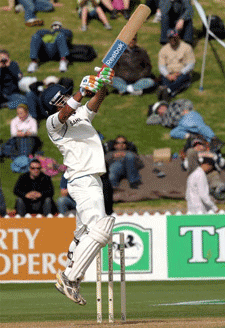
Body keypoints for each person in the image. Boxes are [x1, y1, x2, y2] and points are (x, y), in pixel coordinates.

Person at [42, 66, 115, 305]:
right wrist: (82, 91)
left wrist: (102, 84)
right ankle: (69, 277)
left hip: (92, 178)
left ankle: (71, 273)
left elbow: (97, 101)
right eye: (62, 98)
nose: (66, 100)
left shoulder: (81, 115)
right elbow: (64, 114)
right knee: (101, 228)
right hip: (82, 180)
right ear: (56, 103)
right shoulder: (53, 124)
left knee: (84, 233)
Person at [146, 99, 223, 146]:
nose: (161, 109)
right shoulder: (162, 119)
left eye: (161, 106)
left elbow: (187, 101)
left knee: (198, 126)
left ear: (164, 104)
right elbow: (148, 121)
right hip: (180, 125)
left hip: (187, 116)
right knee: (173, 133)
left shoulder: (174, 103)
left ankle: (214, 139)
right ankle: (195, 137)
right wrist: (153, 112)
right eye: (158, 109)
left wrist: (186, 109)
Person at [181, 137, 225, 201]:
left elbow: (223, 163)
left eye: (200, 144)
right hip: (198, 176)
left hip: (211, 174)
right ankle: (209, 192)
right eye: (195, 146)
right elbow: (184, 166)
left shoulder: (211, 153)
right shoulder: (191, 156)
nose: (198, 146)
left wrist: (214, 157)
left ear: (204, 146)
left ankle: (218, 188)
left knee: (215, 177)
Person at [157, 29, 195, 101]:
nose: (172, 40)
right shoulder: (163, 50)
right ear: (168, 38)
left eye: (174, 37)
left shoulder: (187, 47)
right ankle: (171, 92)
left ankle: (167, 91)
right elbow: (161, 66)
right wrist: (168, 75)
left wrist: (178, 73)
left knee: (183, 77)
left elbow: (191, 65)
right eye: (170, 38)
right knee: (163, 77)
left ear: (179, 37)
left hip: (182, 73)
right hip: (169, 73)